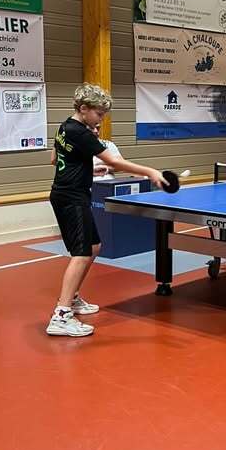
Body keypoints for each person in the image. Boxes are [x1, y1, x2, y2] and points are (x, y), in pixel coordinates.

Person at [47, 83, 168, 338]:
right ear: (84, 109)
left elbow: (54, 158)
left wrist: (86, 167)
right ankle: (61, 315)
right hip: (70, 198)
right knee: (81, 253)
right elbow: (114, 161)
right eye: (99, 114)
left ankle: (73, 297)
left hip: (71, 194)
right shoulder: (80, 132)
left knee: (93, 247)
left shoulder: (65, 127)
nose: (101, 120)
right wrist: (150, 172)